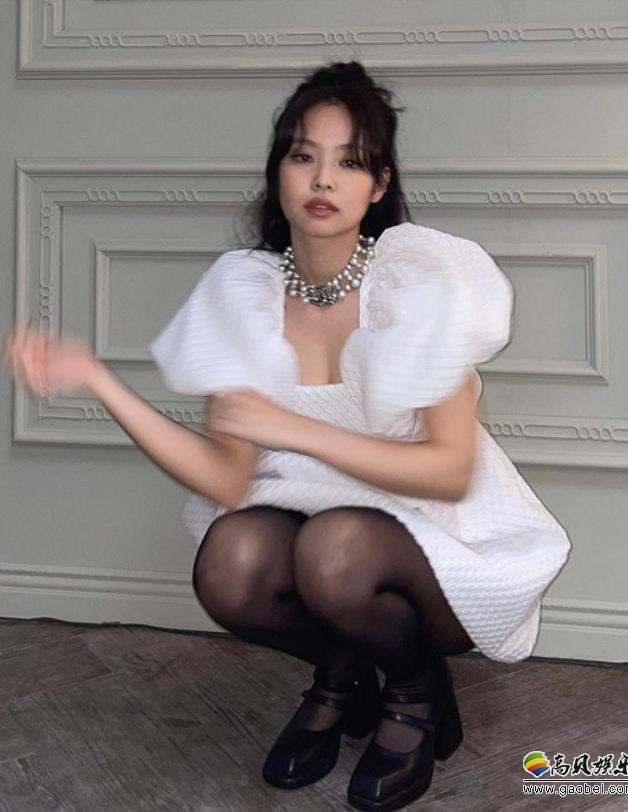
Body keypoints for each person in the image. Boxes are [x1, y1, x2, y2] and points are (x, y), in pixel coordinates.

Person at [2, 61, 571, 812]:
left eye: (350, 161)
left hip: (438, 540)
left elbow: (449, 472)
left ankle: (415, 689)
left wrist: (293, 428)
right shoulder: (245, 295)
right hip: (316, 541)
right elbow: (228, 480)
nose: (323, 179)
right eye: (304, 155)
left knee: (333, 547)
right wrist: (99, 380)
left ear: (378, 184)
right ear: (279, 172)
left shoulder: (415, 284)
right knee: (230, 561)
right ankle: (343, 674)